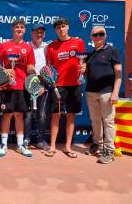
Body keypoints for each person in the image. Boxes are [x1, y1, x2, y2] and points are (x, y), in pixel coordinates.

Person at [45, 17, 85, 158]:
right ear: (55, 30)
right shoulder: (51, 47)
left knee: (71, 117)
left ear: (67, 27)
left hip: (75, 85)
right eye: (58, 28)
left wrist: (84, 68)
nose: (61, 29)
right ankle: (52, 147)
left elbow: (83, 62)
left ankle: (68, 147)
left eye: (63, 26)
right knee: (55, 116)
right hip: (58, 86)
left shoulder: (79, 42)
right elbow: (49, 68)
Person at [0, 19, 36, 157]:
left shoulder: (28, 47)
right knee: (7, 115)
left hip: (22, 86)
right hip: (7, 86)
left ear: (24, 30)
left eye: (22, 27)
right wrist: (4, 72)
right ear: (12, 29)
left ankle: (20, 145)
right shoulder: (3, 46)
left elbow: (30, 66)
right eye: (17, 27)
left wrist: (34, 77)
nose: (19, 29)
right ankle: (3, 145)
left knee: (20, 116)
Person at [83, 26, 122, 164]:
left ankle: (109, 150)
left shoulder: (113, 51)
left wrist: (115, 92)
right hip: (91, 92)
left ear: (105, 35)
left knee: (108, 122)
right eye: (95, 35)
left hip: (107, 92)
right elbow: (85, 74)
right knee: (95, 121)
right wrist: (82, 70)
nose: (98, 37)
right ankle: (97, 145)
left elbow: (118, 74)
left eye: (101, 34)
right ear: (91, 37)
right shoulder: (90, 54)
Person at [23, 23, 51, 151]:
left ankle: (41, 140)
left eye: (41, 32)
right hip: (29, 82)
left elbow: (50, 67)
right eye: (36, 32)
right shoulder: (26, 47)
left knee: (42, 114)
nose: (39, 34)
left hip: (43, 84)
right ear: (31, 33)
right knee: (28, 114)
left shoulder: (48, 48)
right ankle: (26, 139)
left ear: (44, 34)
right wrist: (32, 81)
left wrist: (45, 83)